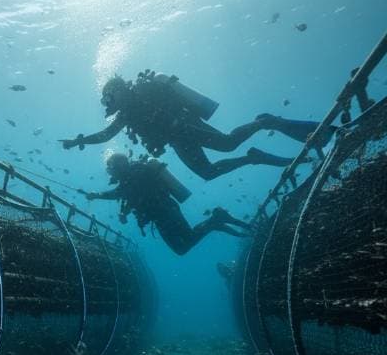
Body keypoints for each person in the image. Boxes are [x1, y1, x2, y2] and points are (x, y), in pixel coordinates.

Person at [61, 70, 328, 180]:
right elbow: (106, 134)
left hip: (185, 125)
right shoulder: (125, 115)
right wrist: (79, 140)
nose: (107, 102)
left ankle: (265, 121)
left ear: (119, 89)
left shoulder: (143, 92)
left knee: (227, 143)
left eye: (109, 95)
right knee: (208, 173)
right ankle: (251, 158)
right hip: (178, 139)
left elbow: (170, 102)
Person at [84, 153, 250, 255]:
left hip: (164, 214)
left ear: (119, 165)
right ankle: (216, 222)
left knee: (182, 247)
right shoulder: (134, 174)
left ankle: (215, 220)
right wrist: (124, 212)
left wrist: (97, 195)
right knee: (183, 245)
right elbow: (134, 196)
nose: (110, 172)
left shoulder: (134, 173)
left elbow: (120, 193)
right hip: (165, 212)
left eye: (111, 167)